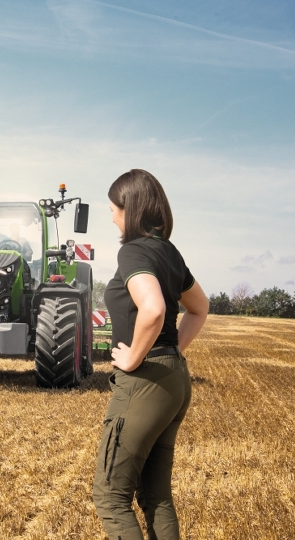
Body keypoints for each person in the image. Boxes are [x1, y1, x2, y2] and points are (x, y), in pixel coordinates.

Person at [92, 169, 209, 540]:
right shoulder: (168, 252)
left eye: (113, 208)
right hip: (174, 378)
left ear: (129, 208)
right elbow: (199, 307)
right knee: (156, 496)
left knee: (111, 497)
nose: (111, 216)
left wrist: (134, 357)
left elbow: (154, 309)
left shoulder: (133, 251)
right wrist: (170, 353)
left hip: (144, 383)